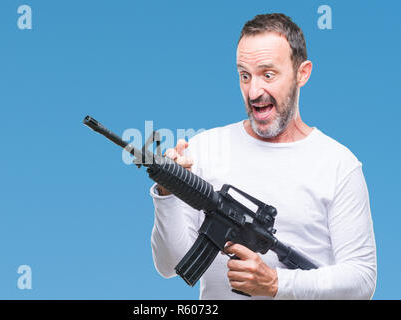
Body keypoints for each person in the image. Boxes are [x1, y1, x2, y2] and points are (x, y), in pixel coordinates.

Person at [149, 13, 377, 299]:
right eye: (245, 75)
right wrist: (167, 193)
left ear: (301, 73)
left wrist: (276, 283)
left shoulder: (339, 165)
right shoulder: (204, 148)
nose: (254, 91)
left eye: (268, 74)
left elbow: (362, 279)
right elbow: (170, 266)